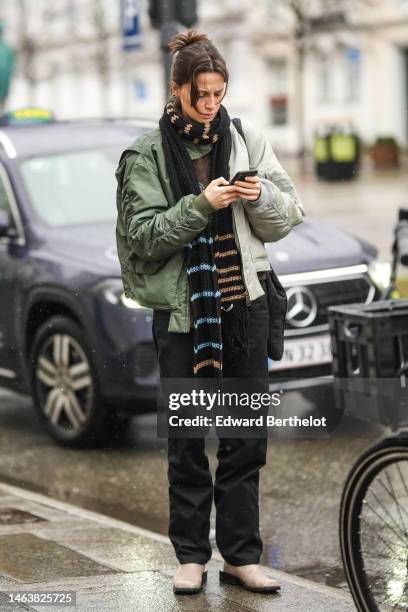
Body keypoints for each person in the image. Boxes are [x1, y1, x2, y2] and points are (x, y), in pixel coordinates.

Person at [116, 30, 304, 595]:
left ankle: (241, 556)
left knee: (246, 440)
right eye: (201, 94)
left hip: (245, 309)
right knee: (189, 441)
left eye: (220, 93)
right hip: (183, 319)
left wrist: (258, 198)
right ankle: (192, 556)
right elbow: (144, 237)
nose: (212, 105)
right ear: (176, 90)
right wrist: (201, 206)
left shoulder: (246, 138)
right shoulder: (147, 153)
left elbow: (289, 213)